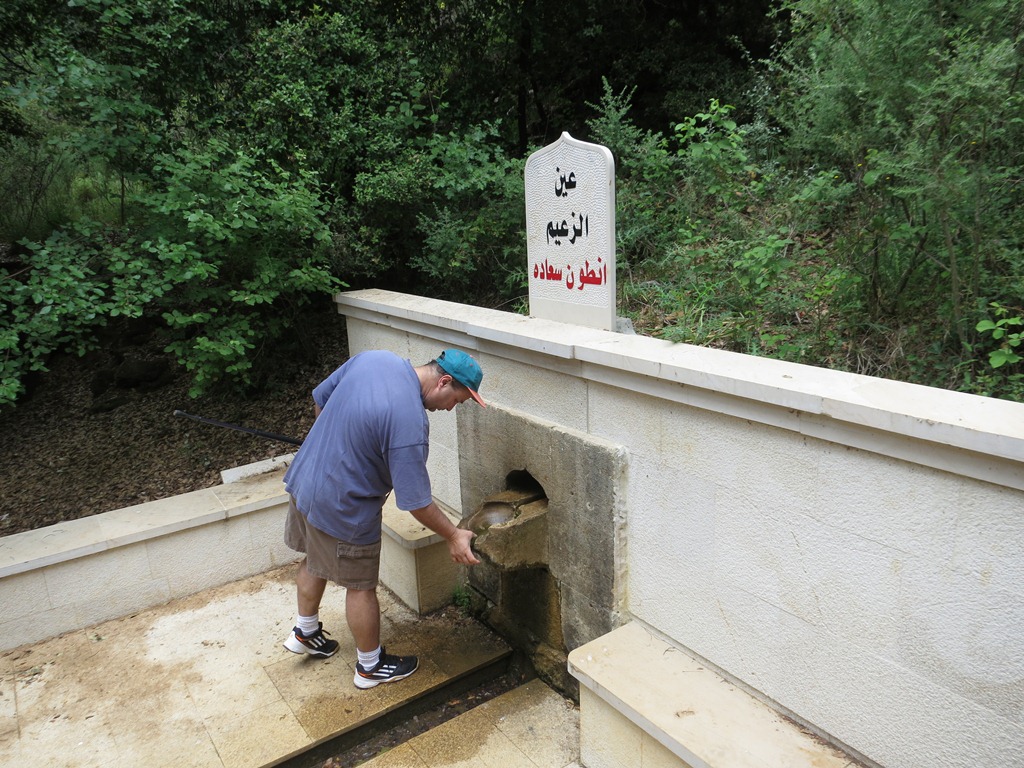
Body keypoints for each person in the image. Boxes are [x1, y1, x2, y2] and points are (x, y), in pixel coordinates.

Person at [281, 348, 484, 689]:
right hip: (345, 504)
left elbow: (320, 399)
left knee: (315, 557)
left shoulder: (374, 359)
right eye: (456, 400)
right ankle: (370, 667)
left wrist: (337, 445)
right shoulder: (410, 421)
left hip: (306, 477)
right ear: (444, 382)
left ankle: (306, 631)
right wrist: (453, 535)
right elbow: (416, 502)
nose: (451, 409)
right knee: (360, 586)